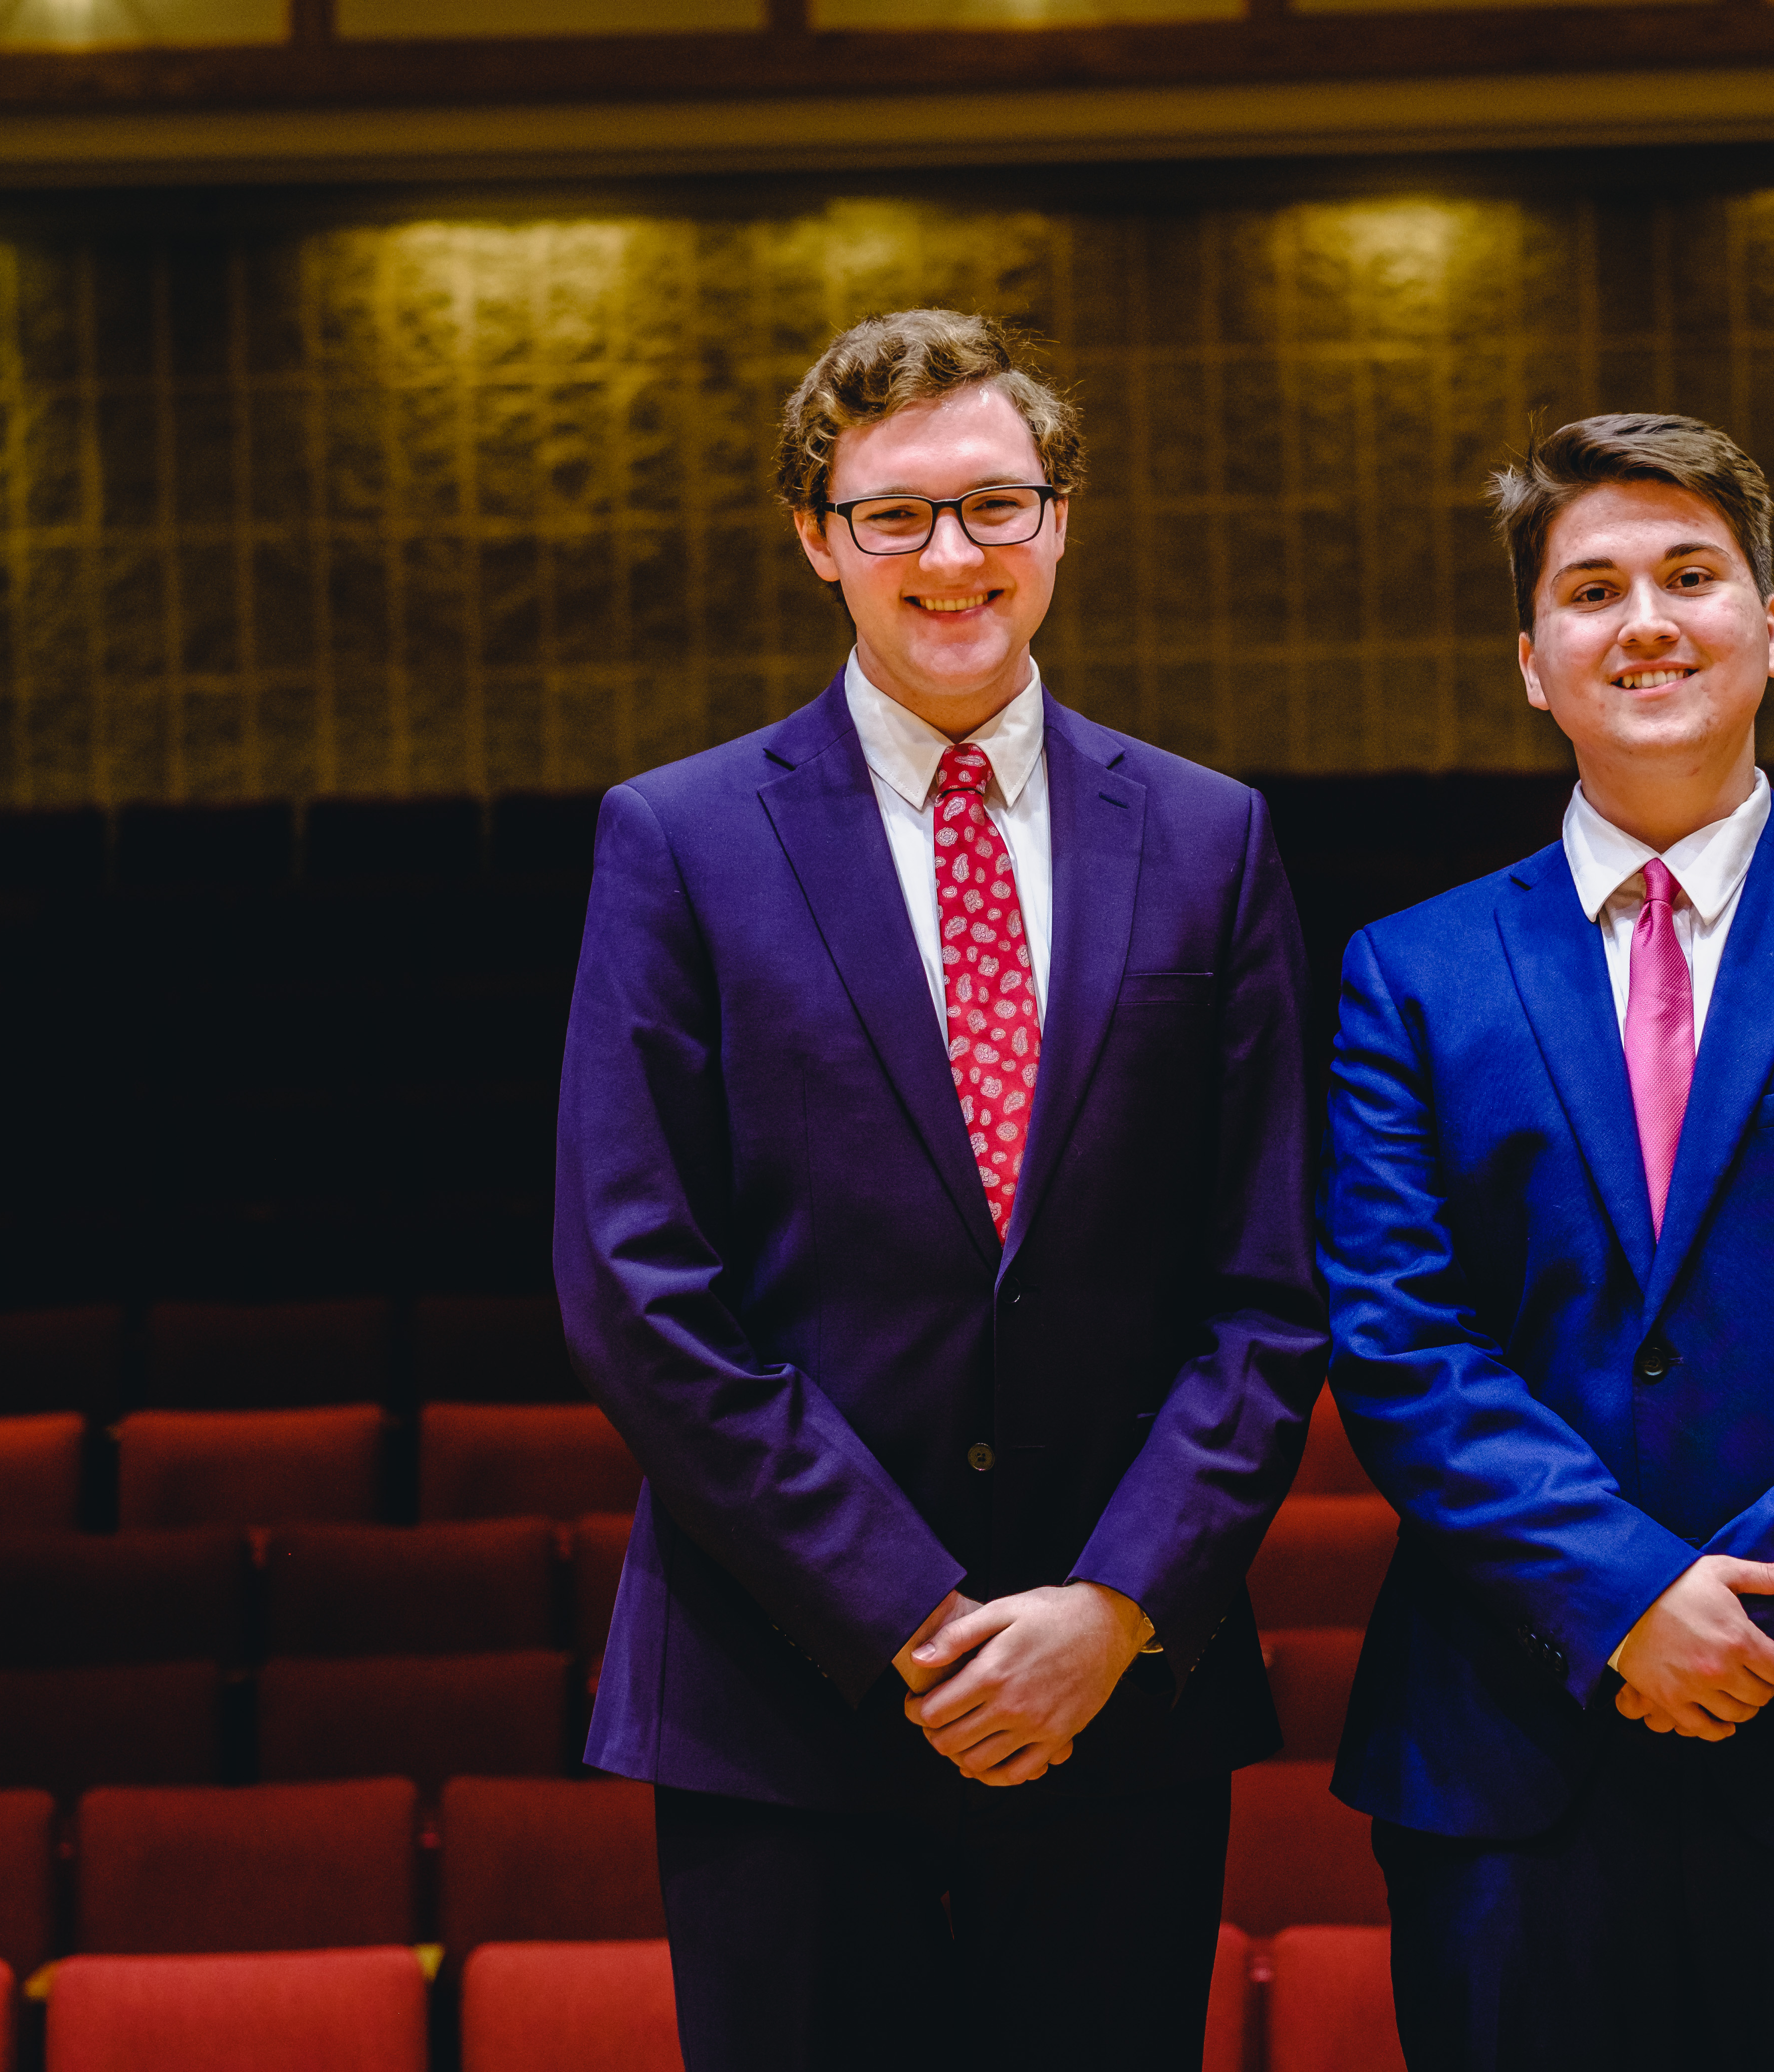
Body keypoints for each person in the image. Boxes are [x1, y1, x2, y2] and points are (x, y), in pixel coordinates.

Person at [554, 307, 1326, 2072]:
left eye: (994, 503)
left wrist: (1112, 1608)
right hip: (787, 1696)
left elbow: (1272, 1285)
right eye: (895, 515)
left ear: (1062, 519)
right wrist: (913, 1613)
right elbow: (634, 1279)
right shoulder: (676, 839)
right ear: (818, 539)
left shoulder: (1214, 839)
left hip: (1121, 1699)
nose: (952, 555)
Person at [1319, 413, 1774, 2071]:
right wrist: (1624, 1596)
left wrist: (1742, 1620)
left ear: (1773, 625)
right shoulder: (1409, 971)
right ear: (1532, 662)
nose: (1645, 619)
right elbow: (1396, 1336)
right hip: (1517, 1757)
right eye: (1590, 590)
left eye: (1691, 575)